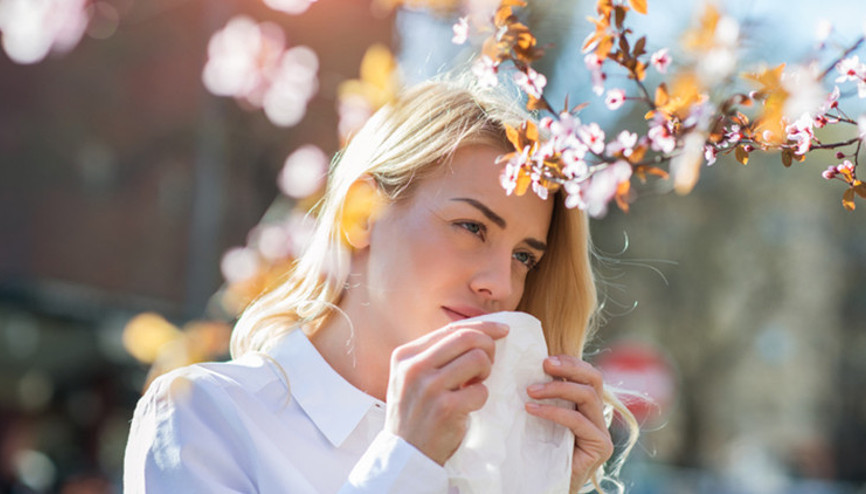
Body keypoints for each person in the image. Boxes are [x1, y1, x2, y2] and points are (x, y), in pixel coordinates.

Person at [123, 75, 638, 493]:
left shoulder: (489, 459)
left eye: (524, 257)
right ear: (362, 213)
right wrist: (407, 460)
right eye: (472, 227)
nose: (500, 285)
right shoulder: (203, 414)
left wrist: (544, 481)